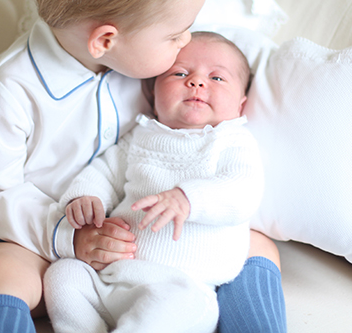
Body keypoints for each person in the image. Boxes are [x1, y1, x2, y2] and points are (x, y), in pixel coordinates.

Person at [0, 0, 286, 333]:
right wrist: (68, 236)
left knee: (258, 244)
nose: (185, 41)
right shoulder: (13, 87)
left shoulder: (145, 61)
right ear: (106, 40)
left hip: (147, 235)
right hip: (40, 235)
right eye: (175, 34)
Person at [44, 32, 263, 333]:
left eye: (217, 78)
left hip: (183, 286)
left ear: (241, 104)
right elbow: (105, 171)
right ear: (153, 91)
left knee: (174, 307)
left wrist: (188, 198)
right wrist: (84, 197)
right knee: (64, 274)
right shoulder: (142, 135)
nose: (197, 82)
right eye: (180, 73)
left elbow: (244, 192)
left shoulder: (232, 141)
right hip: (112, 277)